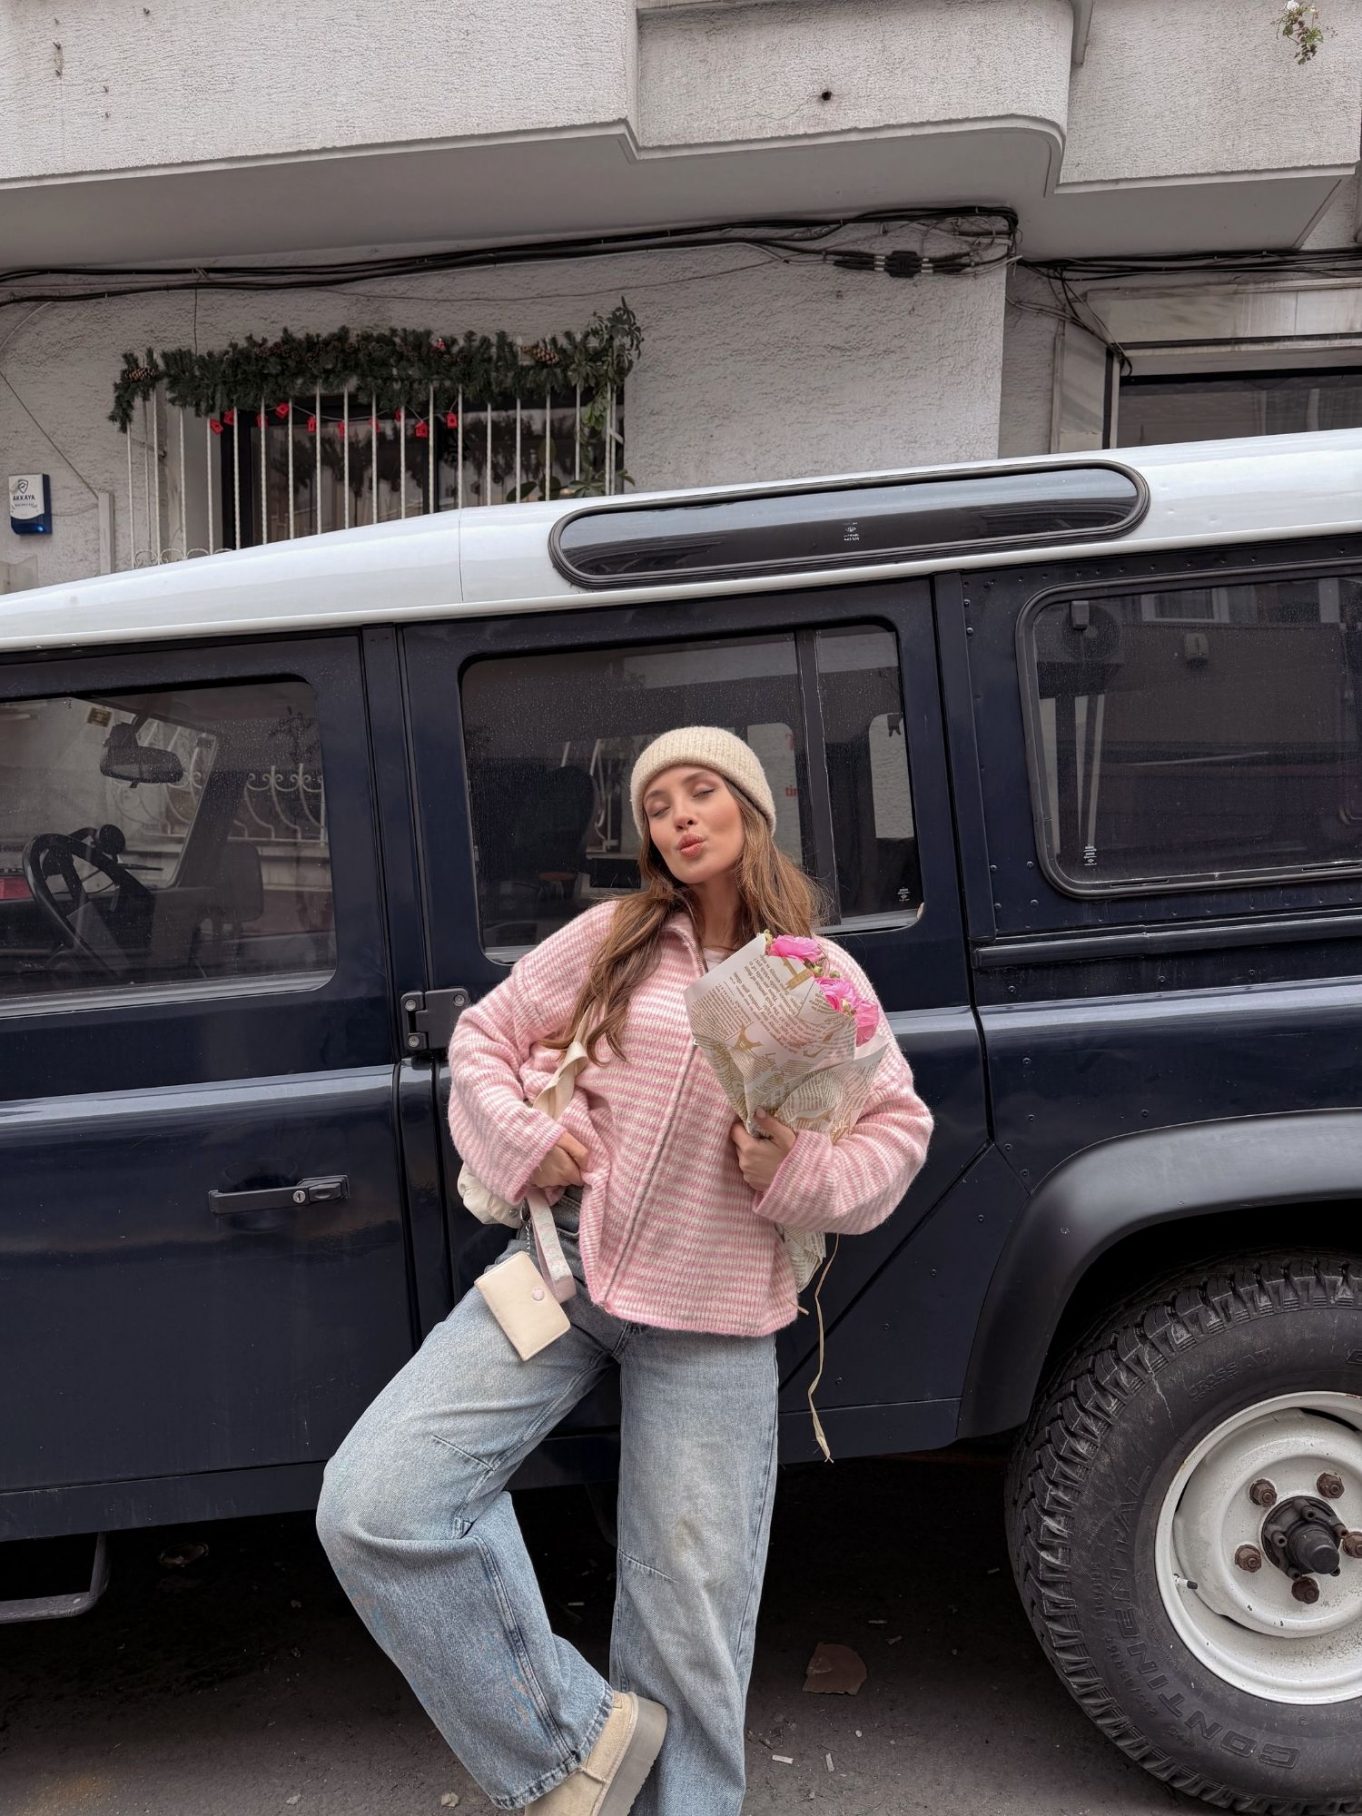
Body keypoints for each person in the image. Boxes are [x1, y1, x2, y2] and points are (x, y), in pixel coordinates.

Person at [315, 726, 933, 1816]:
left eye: (701, 792)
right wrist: (524, 1139)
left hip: (718, 1316)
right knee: (376, 1501)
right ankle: (576, 1744)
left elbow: (898, 1132)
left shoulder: (818, 976)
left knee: (687, 1621)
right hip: (563, 1275)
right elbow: (485, 1038)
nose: (679, 817)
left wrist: (796, 1171)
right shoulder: (615, 937)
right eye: (658, 804)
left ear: (751, 808)